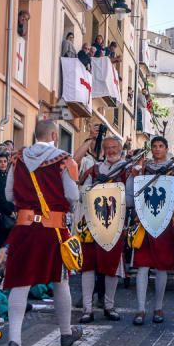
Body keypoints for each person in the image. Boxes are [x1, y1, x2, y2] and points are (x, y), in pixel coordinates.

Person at [2, 120, 83, 346]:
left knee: (20, 282)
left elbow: (8, 195)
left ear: (34, 134)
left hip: (24, 227)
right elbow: (72, 195)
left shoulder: (17, 159)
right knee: (60, 280)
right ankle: (66, 333)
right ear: (54, 136)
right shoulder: (65, 159)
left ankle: (14, 341)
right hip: (53, 229)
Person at [127, 136, 174, 326]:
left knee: (162, 266)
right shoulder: (143, 169)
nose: (157, 149)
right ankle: (140, 309)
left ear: (166, 148)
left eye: (160, 146)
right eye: (154, 146)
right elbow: (132, 194)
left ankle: (158, 307)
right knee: (142, 266)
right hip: (144, 221)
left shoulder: (173, 171)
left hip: (163, 222)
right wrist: (134, 175)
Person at [77, 136, 127, 323]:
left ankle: (109, 306)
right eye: (108, 148)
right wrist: (96, 186)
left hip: (113, 223)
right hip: (91, 222)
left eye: (114, 147)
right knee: (88, 266)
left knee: (111, 266)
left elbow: (129, 197)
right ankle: (87, 309)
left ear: (120, 148)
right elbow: (82, 194)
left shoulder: (128, 171)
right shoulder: (94, 170)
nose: (111, 151)